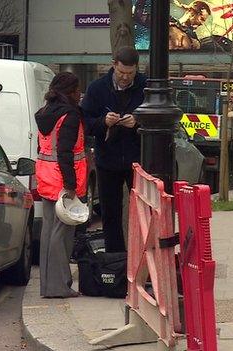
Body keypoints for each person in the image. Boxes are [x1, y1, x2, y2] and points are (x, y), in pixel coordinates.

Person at [80, 46, 146, 253]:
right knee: (110, 213)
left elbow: (159, 119)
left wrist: (137, 122)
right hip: (107, 159)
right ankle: (115, 259)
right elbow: (86, 123)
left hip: (138, 158)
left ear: (137, 69)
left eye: (130, 73)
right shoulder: (97, 88)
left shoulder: (147, 86)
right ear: (113, 65)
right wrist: (103, 122)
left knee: (144, 212)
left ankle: (141, 258)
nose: (125, 78)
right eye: (121, 73)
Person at [35, 72, 87, 298]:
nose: (79, 94)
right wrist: (71, 184)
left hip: (46, 178)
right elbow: (65, 152)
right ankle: (59, 286)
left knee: (48, 233)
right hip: (63, 181)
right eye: (77, 90)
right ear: (70, 92)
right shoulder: (70, 116)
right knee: (62, 234)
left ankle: (48, 285)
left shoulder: (44, 113)